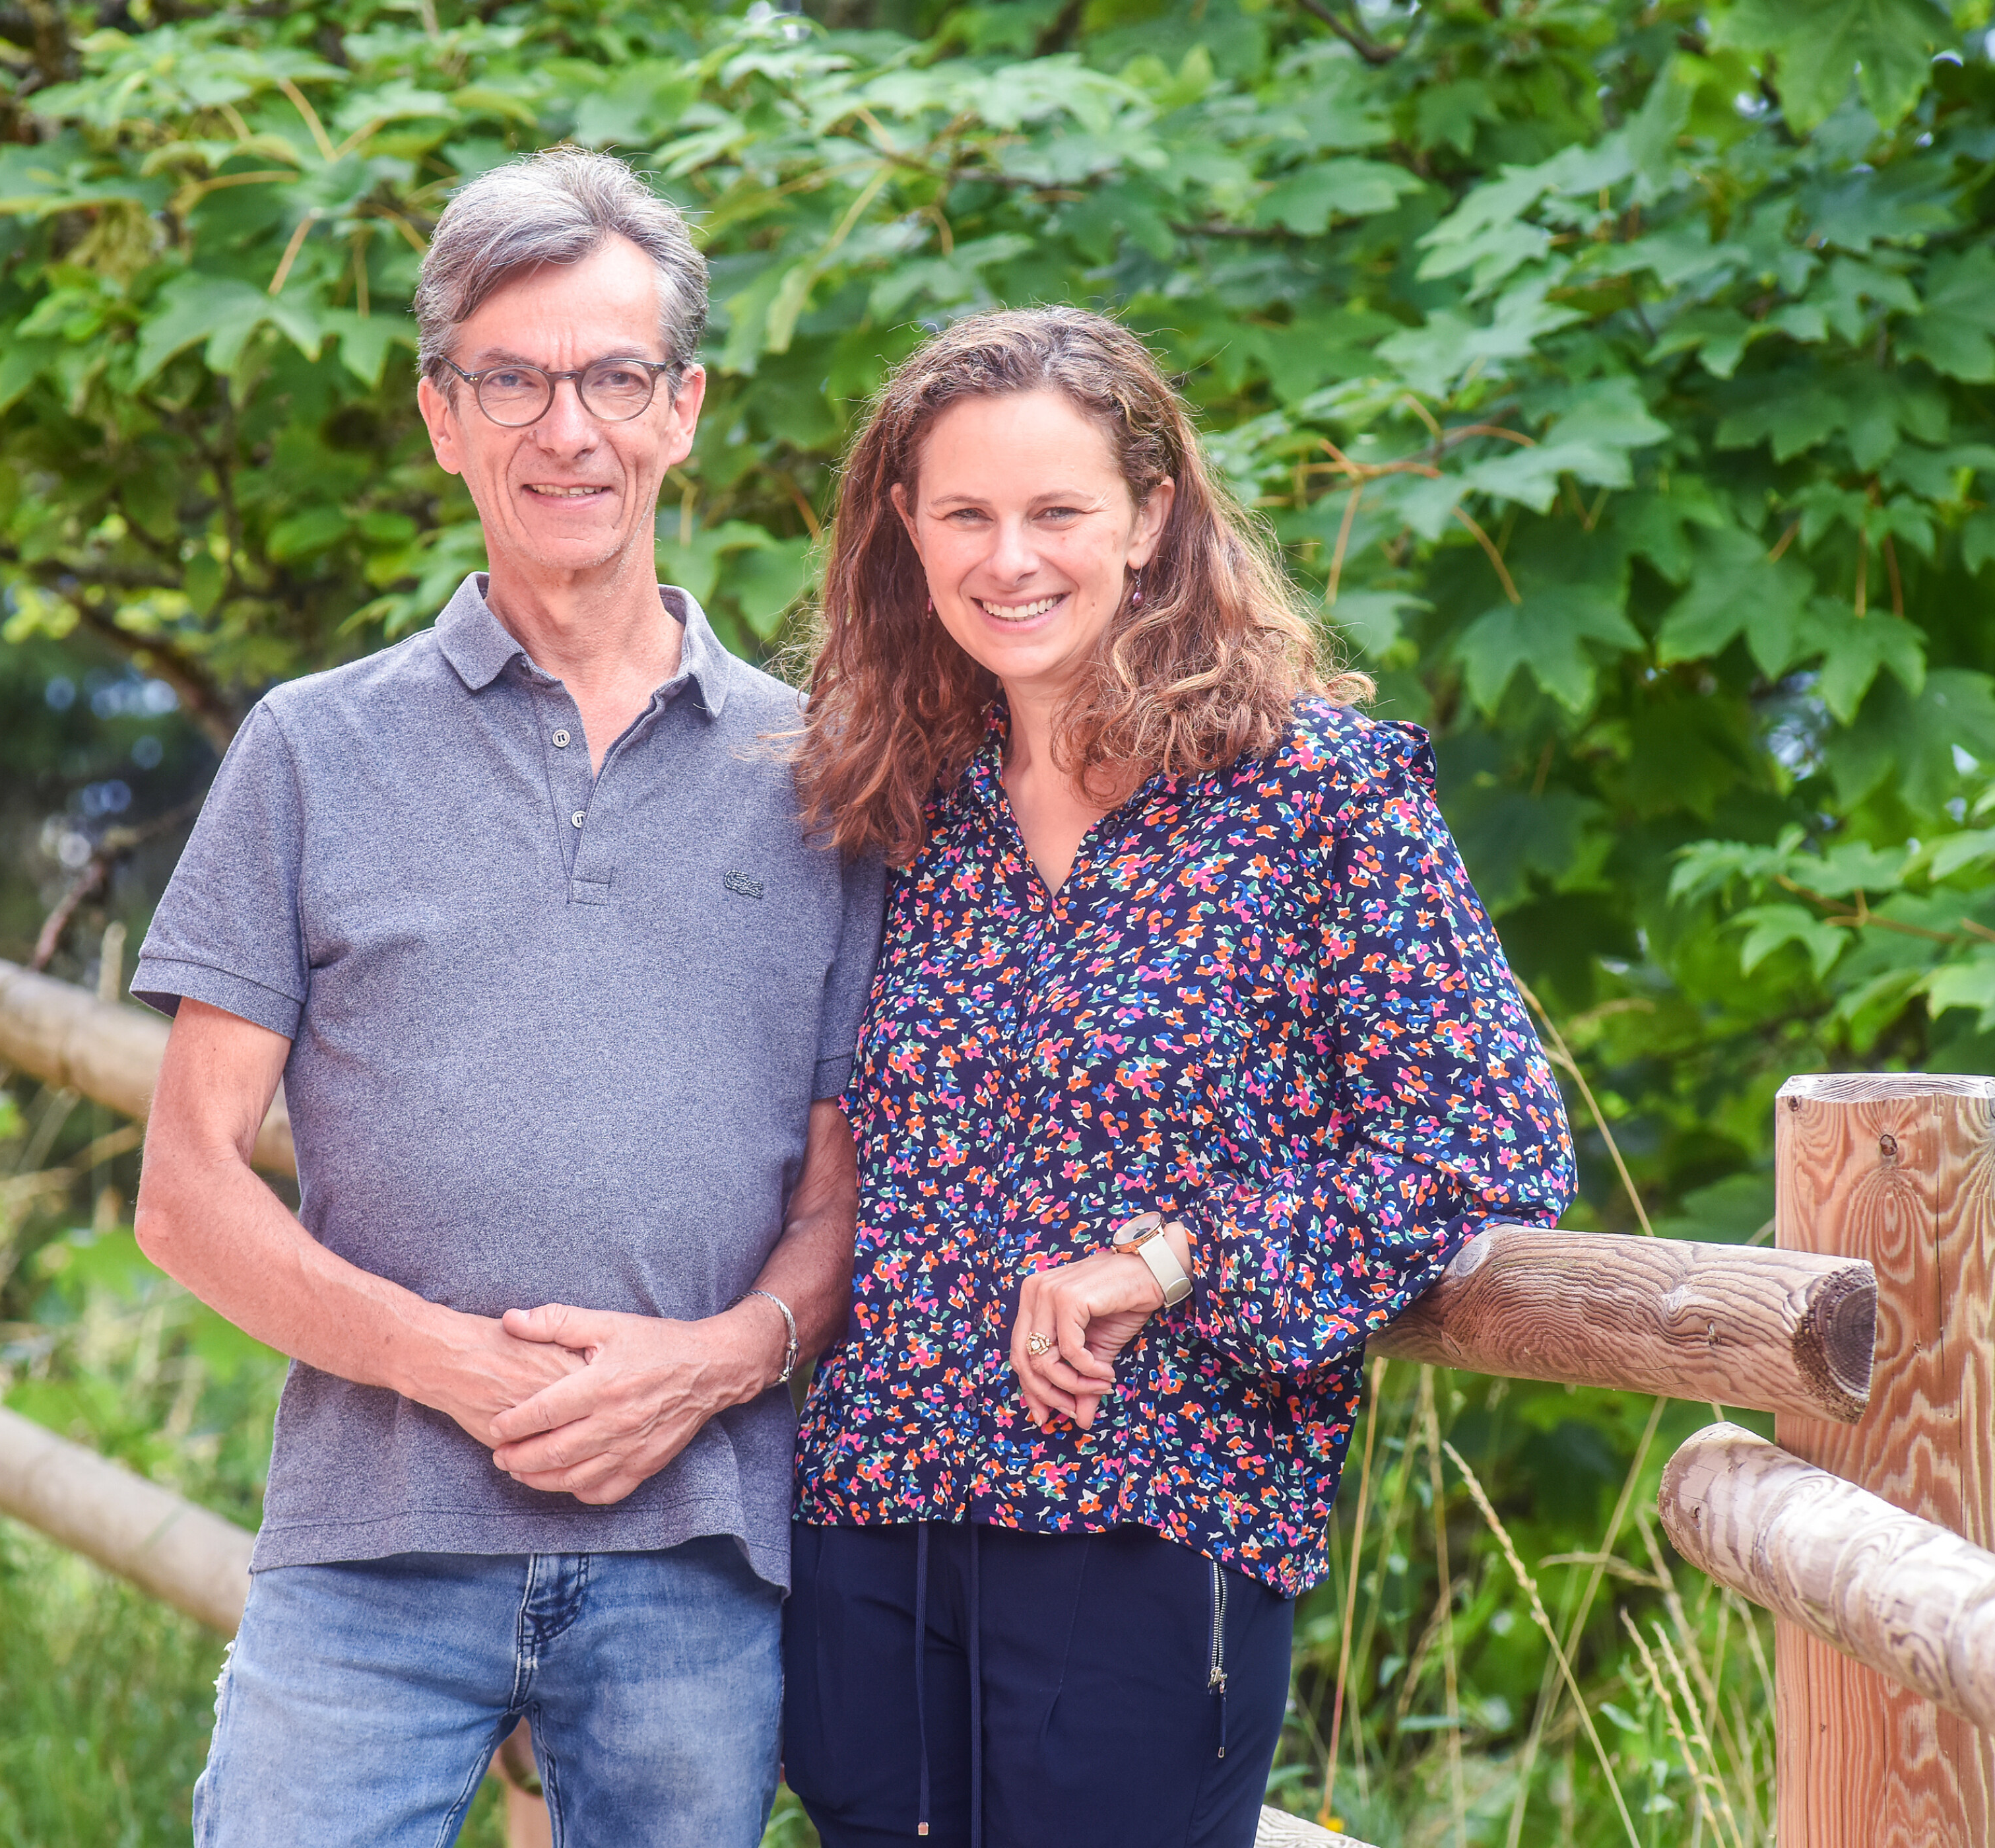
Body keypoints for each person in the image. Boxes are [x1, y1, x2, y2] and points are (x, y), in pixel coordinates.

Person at [128, 147, 883, 1848]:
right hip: (370, 1551)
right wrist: (464, 1371)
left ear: (683, 408)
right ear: (440, 415)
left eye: (616, 376)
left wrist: (700, 1367)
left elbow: (839, 1200)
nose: (571, 429)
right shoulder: (312, 749)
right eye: (515, 381)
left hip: (696, 1556)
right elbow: (185, 1194)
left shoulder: (819, 773)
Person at [779, 306, 1579, 1847]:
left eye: (1057, 510)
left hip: (1150, 1512)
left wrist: (1176, 1255)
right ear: (908, 528)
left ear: (1150, 518)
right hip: (874, 1518)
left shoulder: (1314, 797)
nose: (1011, 556)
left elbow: (1486, 1134)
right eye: (967, 513)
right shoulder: (895, 798)